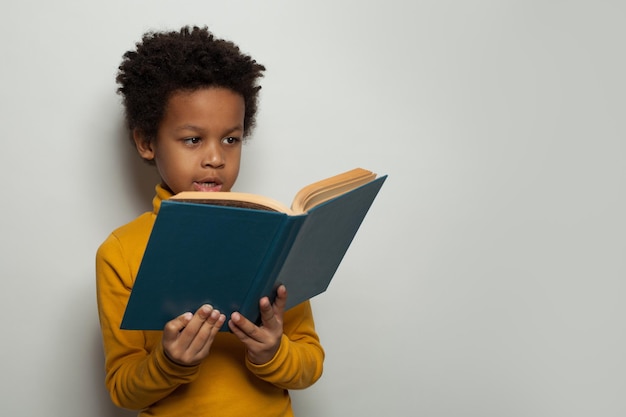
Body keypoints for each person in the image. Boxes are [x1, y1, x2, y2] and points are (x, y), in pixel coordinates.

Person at [96, 26, 324, 417]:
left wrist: (273, 352)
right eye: (192, 140)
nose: (215, 158)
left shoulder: (273, 238)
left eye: (231, 140)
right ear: (146, 142)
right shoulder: (120, 252)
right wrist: (169, 363)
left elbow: (310, 365)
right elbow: (123, 389)